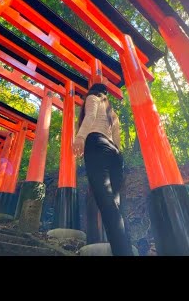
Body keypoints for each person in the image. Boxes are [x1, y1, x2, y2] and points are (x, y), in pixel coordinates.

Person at [73, 83, 133, 256]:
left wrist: (80, 136)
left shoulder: (93, 98)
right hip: (114, 152)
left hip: (97, 145)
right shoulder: (111, 111)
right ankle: (124, 249)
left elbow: (90, 116)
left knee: (107, 204)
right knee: (115, 204)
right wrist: (117, 154)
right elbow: (117, 133)